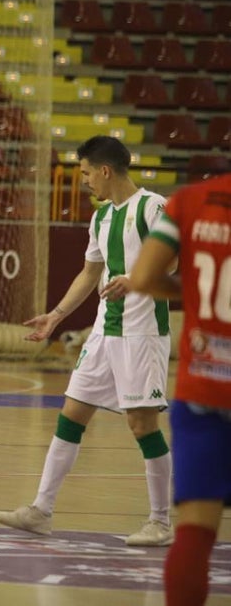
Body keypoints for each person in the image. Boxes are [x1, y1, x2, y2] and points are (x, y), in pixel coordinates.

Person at [0, 135, 174, 547]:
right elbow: (90, 273)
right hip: (104, 332)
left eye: (87, 173)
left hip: (142, 333)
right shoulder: (101, 218)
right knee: (72, 414)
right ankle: (41, 511)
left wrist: (136, 279)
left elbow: (174, 261)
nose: (85, 181)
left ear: (105, 170)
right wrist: (56, 315)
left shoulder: (152, 207)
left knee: (142, 424)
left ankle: (160, 522)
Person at [129, 171, 231, 606]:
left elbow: (142, 277)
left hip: (205, 387)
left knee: (194, 535)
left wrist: (193, 293)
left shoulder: (190, 202)